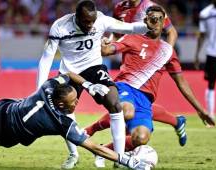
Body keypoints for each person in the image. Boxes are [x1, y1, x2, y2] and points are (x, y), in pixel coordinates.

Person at [85, 6, 215, 167]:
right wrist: (103, 43)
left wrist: (200, 110)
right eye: (152, 18)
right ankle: (93, 133)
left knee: (141, 138)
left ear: (163, 23)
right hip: (125, 87)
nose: (156, 21)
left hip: (145, 100)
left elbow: (181, 82)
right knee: (126, 110)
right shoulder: (132, 38)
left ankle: (104, 149)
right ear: (145, 21)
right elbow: (107, 50)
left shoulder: (167, 51)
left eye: (160, 19)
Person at [36, 0, 150, 168]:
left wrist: (147, 26)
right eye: (86, 21)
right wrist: (40, 89)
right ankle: (73, 154)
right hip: (70, 72)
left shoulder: (101, 20)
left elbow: (131, 28)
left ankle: (119, 158)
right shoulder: (60, 27)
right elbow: (46, 58)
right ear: (76, 17)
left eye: (92, 21)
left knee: (115, 103)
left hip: (93, 67)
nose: (90, 25)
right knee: (63, 110)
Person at [0, 73, 150, 170]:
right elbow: (95, 148)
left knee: (0, 131)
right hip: (14, 132)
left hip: (2, 108)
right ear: (62, 105)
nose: (77, 102)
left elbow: (69, 74)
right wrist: (128, 160)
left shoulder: (48, 87)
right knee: (2, 141)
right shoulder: (62, 123)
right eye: (74, 102)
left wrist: (87, 85)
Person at [111, 0, 188, 147]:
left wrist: (163, 55)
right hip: (131, 54)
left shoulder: (149, 7)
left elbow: (171, 31)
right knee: (130, 106)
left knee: (131, 105)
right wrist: (110, 43)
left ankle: (108, 145)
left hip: (150, 59)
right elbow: (115, 33)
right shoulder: (119, 8)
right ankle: (176, 122)